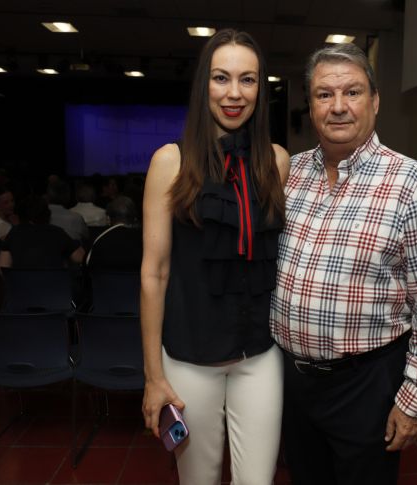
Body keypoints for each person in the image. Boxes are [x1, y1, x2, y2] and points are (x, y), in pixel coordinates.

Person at [269, 43, 417, 485]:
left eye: (352, 92)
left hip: (365, 384)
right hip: (291, 382)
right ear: (310, 105)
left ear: (374, 101)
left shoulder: (411, 182)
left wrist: (414, 401)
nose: (338, 107)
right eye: (323, 95)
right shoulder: (288, 173)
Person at [140, 28, 289, 485]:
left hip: (259, 357)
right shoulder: (171, 161)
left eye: (248, 80)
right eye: (221, 78)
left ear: (261, 89)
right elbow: (154, 273)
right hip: (189, 360)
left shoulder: (277, 161)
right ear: (203, 82)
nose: (234, 93)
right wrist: (153, 376)